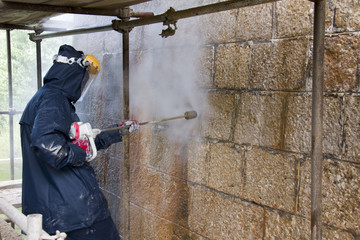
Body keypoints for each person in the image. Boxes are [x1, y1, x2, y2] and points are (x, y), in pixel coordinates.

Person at [19, 44, 139, 239]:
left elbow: (71, 143)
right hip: (74, 213)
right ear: (73, 74)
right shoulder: (54, 99)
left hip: (58, 210)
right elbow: (50, 146)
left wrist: (116, 132)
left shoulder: (46, 97)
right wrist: (82, 152)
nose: (83, 85)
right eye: (84, 78)